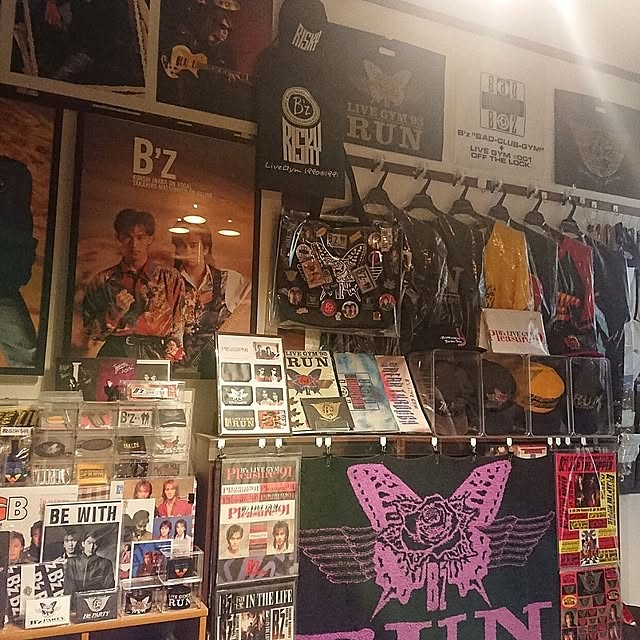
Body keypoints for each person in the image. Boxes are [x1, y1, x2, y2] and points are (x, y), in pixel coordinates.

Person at [82, 209, 185, 360]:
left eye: (140, 237)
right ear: (118, 237)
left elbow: (178, 326)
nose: (134, 244)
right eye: (128, 237)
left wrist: (172, 350)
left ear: (150, 239)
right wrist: (114, 312)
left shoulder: (170, 278)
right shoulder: (102, 281)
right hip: (115, 353)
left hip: (155, 354)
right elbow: (92, 332)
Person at [172, 224, 250, 376]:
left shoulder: (229, 280)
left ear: (205, 249)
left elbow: (258, 298)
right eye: (182, 246)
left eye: (193, 245)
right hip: (176, 371)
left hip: (216, 371)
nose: (188, 251)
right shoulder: (168, 281)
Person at [157, 0, 249, 117]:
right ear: (211, 22)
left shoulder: (226, 52)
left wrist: (228, 82)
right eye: (222, 27)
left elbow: (222, 84)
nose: (225, 33)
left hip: (205, 104)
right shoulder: (189, 34)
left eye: (228, 30)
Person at [0, 157, 38, 368]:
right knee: (27, 357)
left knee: (28, 357)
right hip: (5, 286)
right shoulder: (16, 173)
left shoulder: (15, 173)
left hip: (5, 286)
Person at [63, 530, 115, 594]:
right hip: (77, 598)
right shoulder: (72, 562)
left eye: (95, 543)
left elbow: (109, 587)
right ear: (83, 544)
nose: (91, 547)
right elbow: (68, 586)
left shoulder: (105, 563)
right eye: (89, 543)